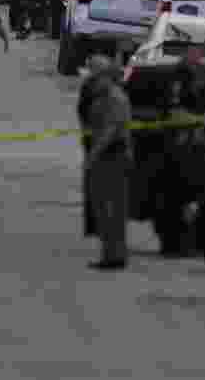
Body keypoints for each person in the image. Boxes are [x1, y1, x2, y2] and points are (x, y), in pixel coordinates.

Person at [78, 53, 132, 270]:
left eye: (94, 75)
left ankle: (115, 255)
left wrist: (94, 154)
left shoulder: (114, 97)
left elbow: (110, 130)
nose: (90, 79)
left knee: (113, 208)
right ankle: (110, 253)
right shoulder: (99, 95)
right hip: (104, 155)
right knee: (102, 207)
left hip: (112, 155)